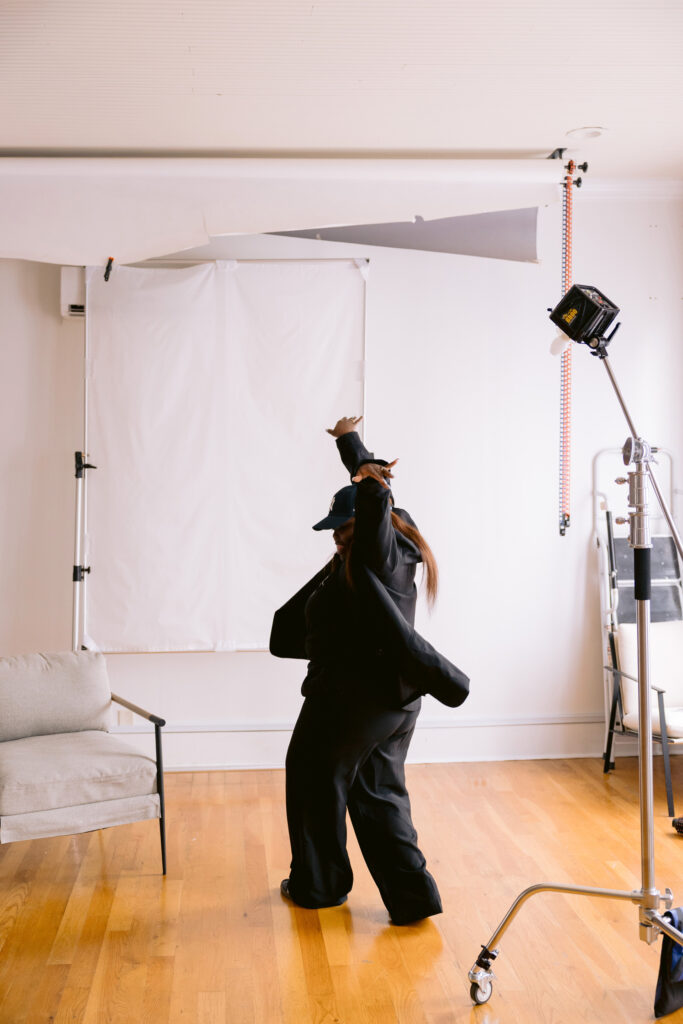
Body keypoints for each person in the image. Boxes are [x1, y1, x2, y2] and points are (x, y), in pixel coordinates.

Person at [270, 415, 454, 925]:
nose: (336, 538)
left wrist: (357, 457)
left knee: (311, 778)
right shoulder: (382, 564)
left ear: (373, 523)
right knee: (378, 795)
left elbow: (376, 508)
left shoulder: (380, 552)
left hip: (349, 704)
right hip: (393, 702)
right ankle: (412, 897)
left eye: (343, 527)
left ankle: (319, 885)